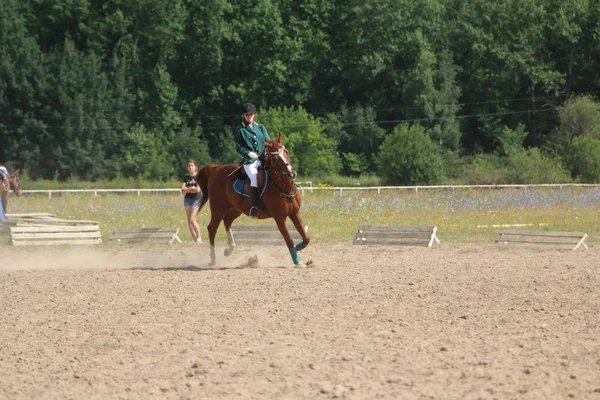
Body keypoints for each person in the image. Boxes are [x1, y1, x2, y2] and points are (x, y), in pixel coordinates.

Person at [233, 103, 271, 218]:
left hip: (263, 159)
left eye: (251, 114)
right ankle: (254, 206)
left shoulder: (261, 127)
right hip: (250, 161)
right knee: (254, 177)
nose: (249, 116)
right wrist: (249, 153)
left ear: (254, 115)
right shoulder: (240, 130)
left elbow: (268, 141)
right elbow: (238, 147)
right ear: (243, 116)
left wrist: (268, 151)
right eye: (247, 114)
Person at [181, 160, 203, 243]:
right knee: (188, 220)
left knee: (192, 219)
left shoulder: (199, 177)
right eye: (189, 166)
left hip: (196, 199)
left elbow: (197, 189)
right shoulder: (186, 178)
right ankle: (194, 238)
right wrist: (191, 188)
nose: (190, 167)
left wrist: (188, 189)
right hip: (187, 199)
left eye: (192, 166)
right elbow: (182, 190)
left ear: (195, 167)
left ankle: (199, 237)